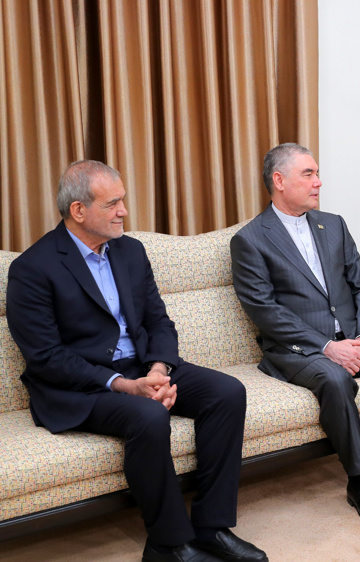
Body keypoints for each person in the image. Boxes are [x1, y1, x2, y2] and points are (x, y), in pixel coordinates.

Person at [6, 161, 266, 562]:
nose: (124, 211)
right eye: (113, 203)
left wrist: (158, 370)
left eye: (122, 200)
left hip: (143, 368)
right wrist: (126, 386)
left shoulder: (130, 250)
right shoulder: (32, 268)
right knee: (148, 416)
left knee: (226, 392)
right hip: (81, 386)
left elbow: (158, 320)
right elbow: (46, 358)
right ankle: (169, 543)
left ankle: (212, 528)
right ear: (78, 211)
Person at [230, 143, 360, 526]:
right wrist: (327, 346)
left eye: (316, 173)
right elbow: (264, 311)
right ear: (279, 181)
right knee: (336, 377)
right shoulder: (251, 240)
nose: (318, 182)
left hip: (355, 338)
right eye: (308, 174)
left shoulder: (334, 225)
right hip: (300, 350)